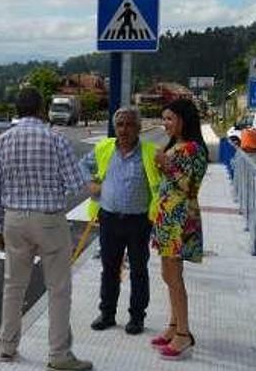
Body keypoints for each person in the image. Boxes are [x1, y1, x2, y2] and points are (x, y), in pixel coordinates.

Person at [0, 87, 92, 371]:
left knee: (13, 285)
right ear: (42, 109)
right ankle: (58, 354)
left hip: (13, 220)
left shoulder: (3, 141)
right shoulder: (55, 139)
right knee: (58, 288)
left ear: (17, 109)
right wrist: (51, 190)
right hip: (49, 220)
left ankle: (7, 347)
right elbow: (75, 183)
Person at [79, 107, 161, 335]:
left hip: (139, 222)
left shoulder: (150, 152)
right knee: (109, 269)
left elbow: (164, 183)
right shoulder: (104, 148)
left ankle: (137, 317)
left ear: (139, 128)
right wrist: (91, 183)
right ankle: (107, 314)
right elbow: (82, 165)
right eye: (120, 125)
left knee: (138, 270)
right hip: (109, 219)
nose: (124, 129)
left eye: (129, 124)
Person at [150, 98, 208, 361]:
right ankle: (174, 326)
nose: (165, 124)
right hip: (167, 218)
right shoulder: (176, 146)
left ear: (185, 119)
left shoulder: (193, 149)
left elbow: (189, 186)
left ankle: (183, 333)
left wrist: (165, 163)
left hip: (180, 219)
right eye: (164, 119)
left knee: (173, 276)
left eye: (170, 119)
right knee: (168, 274)